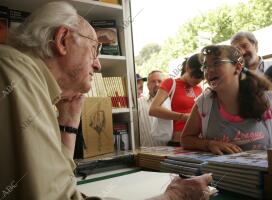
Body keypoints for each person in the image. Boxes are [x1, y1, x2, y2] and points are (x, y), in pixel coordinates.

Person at [0, 2, 213, 200]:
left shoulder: (28, 78)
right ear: (63, 39)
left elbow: (61, 185)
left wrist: (69, 122)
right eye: (95, 50)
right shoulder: (17, 72)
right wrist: (174, 196)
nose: (98, 65)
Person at [181, 45, 272, 155]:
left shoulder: (265, 99)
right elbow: (185, 139)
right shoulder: (204, 103)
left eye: (216, 63)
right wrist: (209, 144)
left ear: (237, 67)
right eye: (205, 66)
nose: (209, 70)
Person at [149, 54, 204, 146]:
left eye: (202, 78)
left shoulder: (199, 89)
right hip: (178, 141)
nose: (197, 80)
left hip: (198, 140)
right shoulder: (170, 83)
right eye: (195, 76)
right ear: (188, 69)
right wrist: (183, 116)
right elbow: (153, 110)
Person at [138, 70, 164, 146]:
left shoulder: (172, 102)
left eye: (159, 81)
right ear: (148, 85)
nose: (156, 84)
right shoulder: (139, 103)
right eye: (153, 81)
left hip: (171, 153)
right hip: (147, 153)